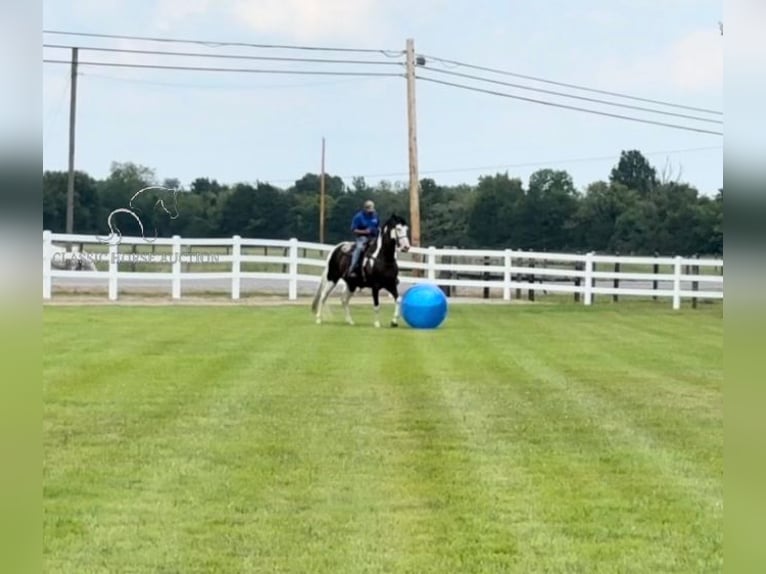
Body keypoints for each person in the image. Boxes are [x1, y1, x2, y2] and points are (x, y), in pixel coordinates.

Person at [347, 200, 379, 279]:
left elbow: (378, 226)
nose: (370, 212)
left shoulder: (375, 216)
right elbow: (353, 229)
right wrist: (364, 231)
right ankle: (352, 268)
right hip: (362, 238)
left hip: (374, 237)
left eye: (371, 210)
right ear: (365, 209)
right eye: (369, 211)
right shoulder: (358, 217)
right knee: (359, 248)